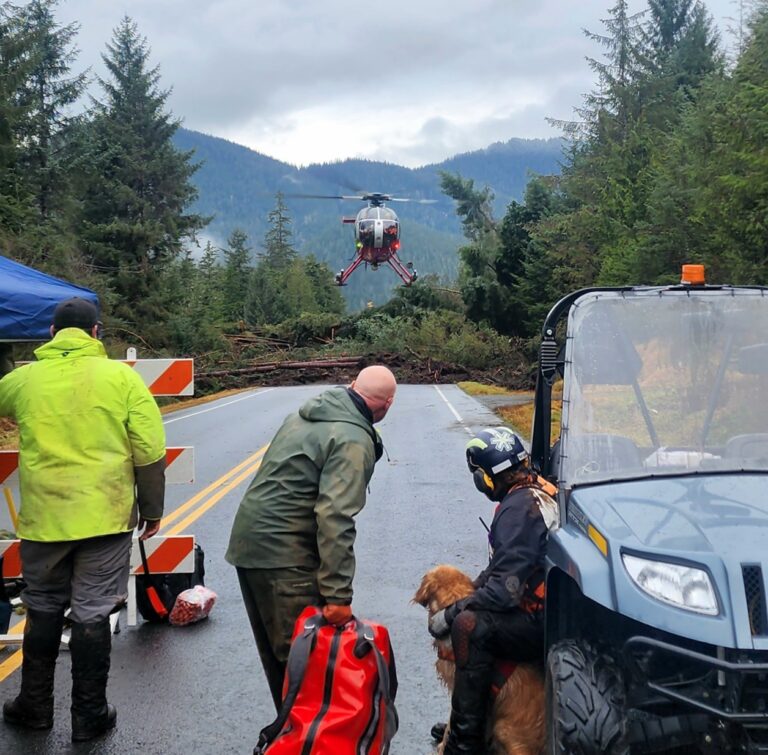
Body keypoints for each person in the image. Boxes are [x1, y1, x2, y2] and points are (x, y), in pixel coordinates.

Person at [0, 297, 166, 742]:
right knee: (93, 609)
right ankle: (89, 714)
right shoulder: (121, 378)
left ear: (51, 334)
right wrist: (151, 509)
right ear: (96, 333)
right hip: (105, 515)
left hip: (45, 518)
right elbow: (149, 448)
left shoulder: (24, 380)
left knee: (42, 605)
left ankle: (33, 706)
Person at [226, 365, 397, 711]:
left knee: (283, 664)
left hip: (250, 546)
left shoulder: (302, 416)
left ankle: (288, 733)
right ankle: (303, 736)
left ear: (352, 384)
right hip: (285, 555)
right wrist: (337, 595)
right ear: (388, 404)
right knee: (306, 668)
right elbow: (335, 517)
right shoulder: (352, 439)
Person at [429, 427, 558, 755]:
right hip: (555, 612)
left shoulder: (518, 511)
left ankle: (464, 741)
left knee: (469, 628)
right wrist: (472, 591)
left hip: (542, 623)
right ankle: (474, 718)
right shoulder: (535, 492)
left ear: (486, 478)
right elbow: (502, 567)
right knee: (473, 613)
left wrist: (452, 613)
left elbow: (504, 592)